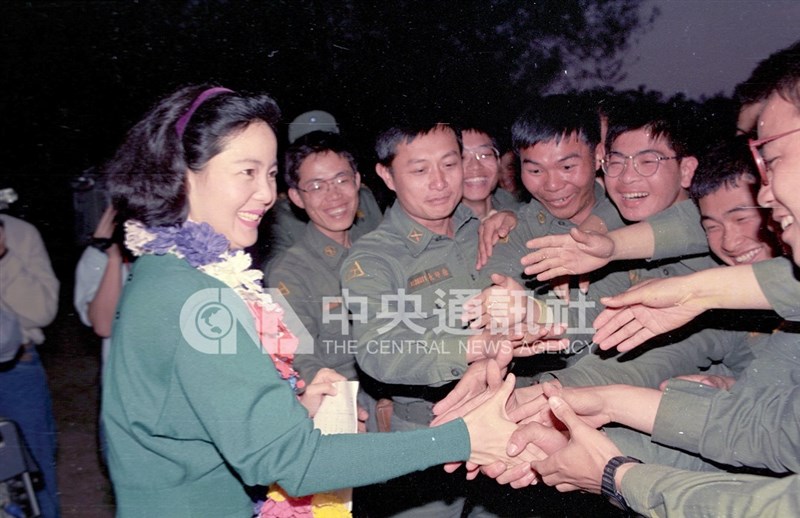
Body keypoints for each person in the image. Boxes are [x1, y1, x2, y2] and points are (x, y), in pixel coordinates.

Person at [100, 85, 535, 518]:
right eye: (246, 172)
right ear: (183, 171)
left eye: (269, 174)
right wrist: (464, 437)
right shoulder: (197, 298)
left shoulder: (165, 274)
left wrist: (290, 407)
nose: (266, 194)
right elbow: (295, 462)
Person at [339, 120, 557, 516]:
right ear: (387, 175)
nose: (439, 183)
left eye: (449, 164)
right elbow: (378, 348)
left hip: (511, 427)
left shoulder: (495, 225)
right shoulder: (374, 258)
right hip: (429, 442)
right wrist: (477, 346)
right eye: (420, 170)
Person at [0, 212, 61, 517]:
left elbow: (41, 312)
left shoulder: (19, 232)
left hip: (14, 371)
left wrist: (4, 258)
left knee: (32, 470)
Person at [460, 124, 519, 219]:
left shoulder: (524, 214)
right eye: (462, 157)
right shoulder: (439, 229)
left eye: (485, 155)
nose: (475, 166)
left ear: (498, 161)